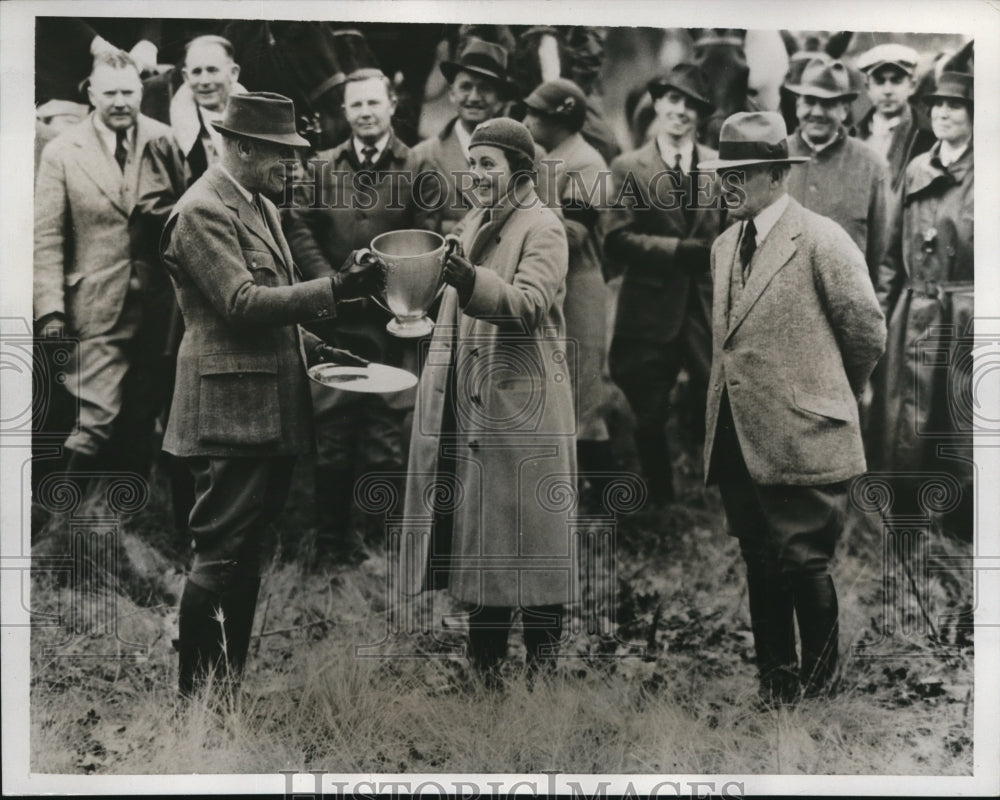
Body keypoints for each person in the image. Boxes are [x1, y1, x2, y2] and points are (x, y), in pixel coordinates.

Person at [159, 92, 381, 695]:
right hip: (229, 412)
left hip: (266, 410)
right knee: (220, 553)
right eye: (284, 155)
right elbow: (241, 304)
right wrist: (334, 288)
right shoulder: (201, 209)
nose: (295, 167)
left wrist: (319, 349)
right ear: (246, 146)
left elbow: (274, 312)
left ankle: (223, 690)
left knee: (246, 550)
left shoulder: (257, 203)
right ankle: (199, 701)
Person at [700, 112, 886, 704]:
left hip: (804, 431)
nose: (727, 187)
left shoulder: (823, 239)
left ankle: (822, 688)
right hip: (737, 432)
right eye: (722, 175)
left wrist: (827, 393)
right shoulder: (725, 243)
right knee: (759, 559)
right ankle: (777, 683)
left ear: (778, 174)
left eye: (741, 175)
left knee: (803, 560)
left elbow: (866, 332)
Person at [401, 118, 574, 689]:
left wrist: (468, 277)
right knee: (481, 549)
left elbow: (526, 305)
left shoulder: (544, 228)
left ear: (521, 172)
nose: (474, 175)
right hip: (472, 408)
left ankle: (544, 678)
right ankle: (484, 678)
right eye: (471, 164)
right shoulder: (475, 220)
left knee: (531, 547)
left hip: (521, 413)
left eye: (488, 166)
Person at [284, 69, 439, 567]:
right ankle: (329, 548)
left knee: (385, 441)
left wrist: (397, 294)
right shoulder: (321, 165)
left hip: (394, 327)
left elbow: (427, 237)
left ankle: (378, 549)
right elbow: (300, 225)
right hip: (335, 325)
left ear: (393, 105)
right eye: (356, 105)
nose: (366, 112)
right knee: (331, 438)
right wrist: (331, 283)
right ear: (344, 112)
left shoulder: (418, 166)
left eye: (375, 102)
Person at [34, 51, 179, 493]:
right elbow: (47, 236)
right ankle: (63, 521)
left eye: (129, 92)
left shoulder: (164, 140)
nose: (120, 102)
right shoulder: (62, 151)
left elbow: (186, 215)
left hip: (158, 305)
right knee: (95, 413)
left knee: (142, 408)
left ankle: (124, 511)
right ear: (91, 93)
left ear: (141, 92)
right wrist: (50, 310)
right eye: (110, 93)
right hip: (95, 302)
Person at [604, 64, 725, 506]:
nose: (681, 112)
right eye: (674, 100)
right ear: (656, 103)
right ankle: (660, 497)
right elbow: (616, 236)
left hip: (706, 303)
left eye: (692, 105)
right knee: (649, 403)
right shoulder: (627, 167)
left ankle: (719, 491)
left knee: (717, 392)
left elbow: (732, 229)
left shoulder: (718, 165)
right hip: (650, 304)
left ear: (701, 115)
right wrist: (676, 250)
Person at [870, 72, 974, 540]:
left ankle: (961, 524)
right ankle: (906, 522)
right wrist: (882, 312)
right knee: (905, 420)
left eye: (956, 106)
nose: (944, 114)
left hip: (966, 310)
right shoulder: (914, 169)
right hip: (913, 312)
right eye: (937, 105)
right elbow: (891, 251)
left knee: (961, 420)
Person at [523, 78, 614, 512]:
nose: (526, 121)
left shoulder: (588, 162)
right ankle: (563, 504)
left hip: (579, 287)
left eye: (534, 114)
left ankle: (604, 508)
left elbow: (574, 236)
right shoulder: (550, 157)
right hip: (550, 286)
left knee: (584, 402)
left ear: (559, 119)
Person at [413, 37, 554, 235]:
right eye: (466, 87)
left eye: (485, 88)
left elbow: (550, 224)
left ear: (499, 99)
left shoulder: (534, 156)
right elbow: (416, 230)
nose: (474, 97)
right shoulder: (423, 155)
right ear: (452, 93)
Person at [784, 58, 891, 285]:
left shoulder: (871, 165)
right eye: (810, 101)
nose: (818, 112)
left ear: (844, 110)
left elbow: (880, 254)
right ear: (797, 105)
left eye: (829, 104)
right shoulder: (773, 157)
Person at [856, 44, 935, 193]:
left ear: (912, 86)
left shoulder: (928, 137)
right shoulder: (854, 133)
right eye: (879, 81)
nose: (888, 91)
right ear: (867, 87)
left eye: (896, 81)